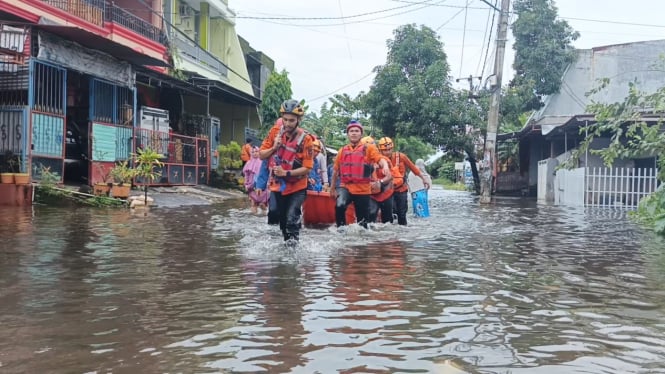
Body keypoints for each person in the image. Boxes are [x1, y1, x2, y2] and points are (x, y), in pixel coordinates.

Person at [259, 99, 314, 243]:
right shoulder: (274, 132)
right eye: (285, 119)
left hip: (298, 186)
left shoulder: (306, 140)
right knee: (281, 220)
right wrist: (274, 148)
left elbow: (307, 168)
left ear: (298, 120)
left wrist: (286, 173)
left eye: (292, 120)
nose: (288, 124)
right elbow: (261, 154)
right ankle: (285, 256)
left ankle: (293, 254)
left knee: (291, 220)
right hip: (279, 185)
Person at [330, 120, 390, 229]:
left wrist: (385, 166)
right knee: (339, 205)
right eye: (351, 131)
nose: (354, 133)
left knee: (362, 224)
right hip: (346, 187)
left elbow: (380, 159)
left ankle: (361, 242)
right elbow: (335, 171)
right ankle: (341, 231)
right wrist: (332, 188)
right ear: (348, 134)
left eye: (357, 131)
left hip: (363, 189)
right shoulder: (342, 151)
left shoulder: (369, 148)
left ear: (361, 134)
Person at [377, 137, 430, 226]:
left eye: (389, 149)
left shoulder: (401, 157)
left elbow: (413, 168)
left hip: (401, 189)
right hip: (387, 191)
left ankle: (402, 233)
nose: (388, 152)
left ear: (392, 148)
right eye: (385, 150)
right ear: (380, 150)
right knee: (388, 215)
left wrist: (424, 179)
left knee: (401, 214)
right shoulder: (378, 160)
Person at [362, 136, 395, 224]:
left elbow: (390, 176)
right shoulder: (362, 161)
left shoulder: (384, 160)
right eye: (365, 149)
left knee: (387, 219)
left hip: (386, 192)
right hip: (371, 194)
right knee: (371, 214)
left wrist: (380, 182)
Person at [243, 146, 269, 214]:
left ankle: (264, 215)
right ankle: (253, 219)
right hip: (251, 186)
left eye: (256, 151)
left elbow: (266, 174)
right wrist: (246, 184)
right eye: (253, 152)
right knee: (253, 204)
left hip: (262, 186)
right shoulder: (248, 163)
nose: (254, 153)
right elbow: (246, 175)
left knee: (262, 204)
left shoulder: (263, 162)